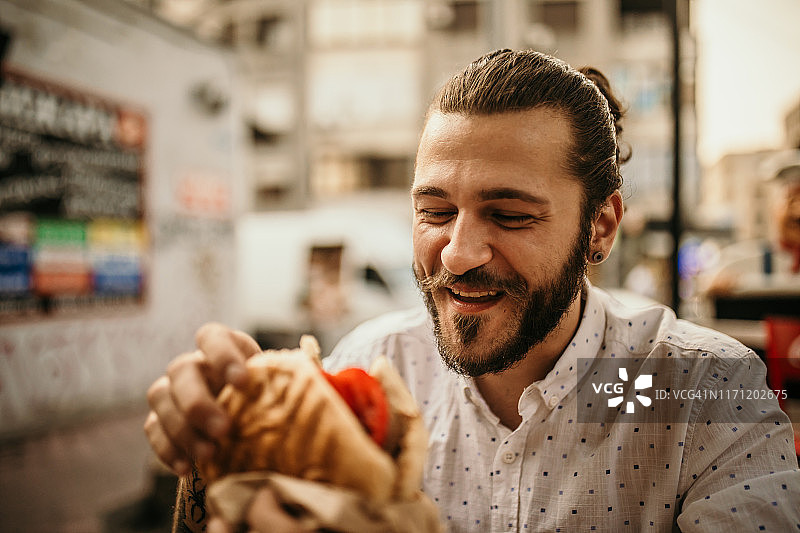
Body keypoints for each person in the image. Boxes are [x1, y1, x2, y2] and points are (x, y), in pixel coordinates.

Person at [144, 49, 800, 532]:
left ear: (600, 225)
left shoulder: (705, 391)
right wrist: (213, 465)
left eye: (509, 214)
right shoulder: (364, 371)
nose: (457, 254)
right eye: (434, 211)